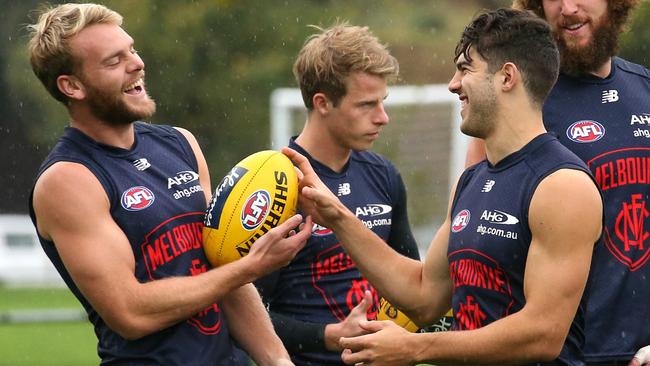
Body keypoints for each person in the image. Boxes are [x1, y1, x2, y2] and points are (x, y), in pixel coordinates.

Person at [283, 8, 604, 365]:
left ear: (507, 77)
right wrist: (336, 216)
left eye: (465, 68)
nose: (453, 83)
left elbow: (543, 333)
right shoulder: (473, 178)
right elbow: (422, 296)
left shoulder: (561, 185)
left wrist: (416, 348)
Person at [26, 3, 312, 365]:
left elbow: (224, 275)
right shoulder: (68, 180)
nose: (136, 63)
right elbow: (130, 314)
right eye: (114, 61)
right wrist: (250, 267)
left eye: (131, 49)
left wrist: (278, 361)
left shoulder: (180, 143)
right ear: (72, 86)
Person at [466, 1, 650, 364]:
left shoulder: (646, 91)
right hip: (555, 355)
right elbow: (474, 237)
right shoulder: (514, 101)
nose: (568, 8)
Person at [254, 23, 424, 365]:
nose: (383, 117)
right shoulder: (273, 187)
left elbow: (414, 286)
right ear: (323, 102)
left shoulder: (384, 175)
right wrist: (330, 336)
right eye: (366, 105)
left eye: (382, 102)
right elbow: (241, 315)